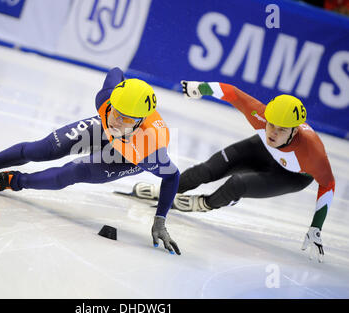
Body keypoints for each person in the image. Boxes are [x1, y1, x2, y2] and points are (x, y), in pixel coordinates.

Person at [0, 67, 181, 255]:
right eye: (116, 114)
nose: (117, 122)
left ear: (140, 122)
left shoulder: (150, 148)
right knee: (41, 149)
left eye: (127, 120)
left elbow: (172, 176)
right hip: (102, 128)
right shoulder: (106, 100)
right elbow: (116, 71)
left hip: (127, 156)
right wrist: (123, 93)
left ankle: (11, 181)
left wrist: (160, 220)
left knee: (72, 172)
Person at [132, 80, 335, 262]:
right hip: (263, 150)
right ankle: (168, 191)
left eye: (282, 129)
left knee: (237, 184)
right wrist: (199, 88)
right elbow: (232, 93)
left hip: (290, 175)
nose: (273, 132)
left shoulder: (312, 153)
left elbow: (328, 184)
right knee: (206, 170)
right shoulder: (261, 115)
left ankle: (204, 203)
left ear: (295, 130)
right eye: (271, 125)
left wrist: (316, 226)